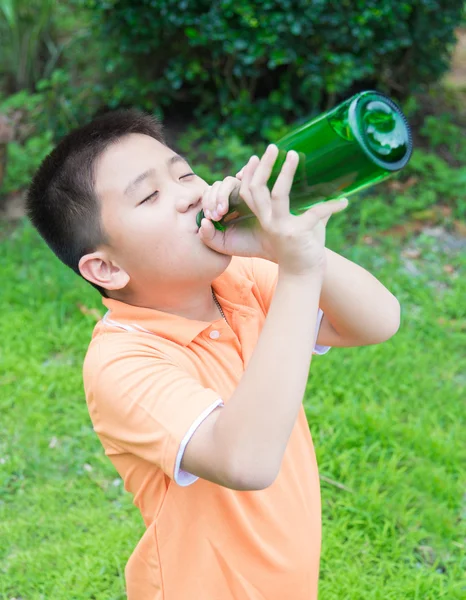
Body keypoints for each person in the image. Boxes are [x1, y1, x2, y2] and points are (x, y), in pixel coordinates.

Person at [26, 109, 400, 599]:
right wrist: (298, 273)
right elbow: (245, 459)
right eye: (150, 195)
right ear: (107, 268)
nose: (189, 196)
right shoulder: (122, 363)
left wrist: (286, 253)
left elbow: (377, 320)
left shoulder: (240, 280)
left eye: (184, 173)